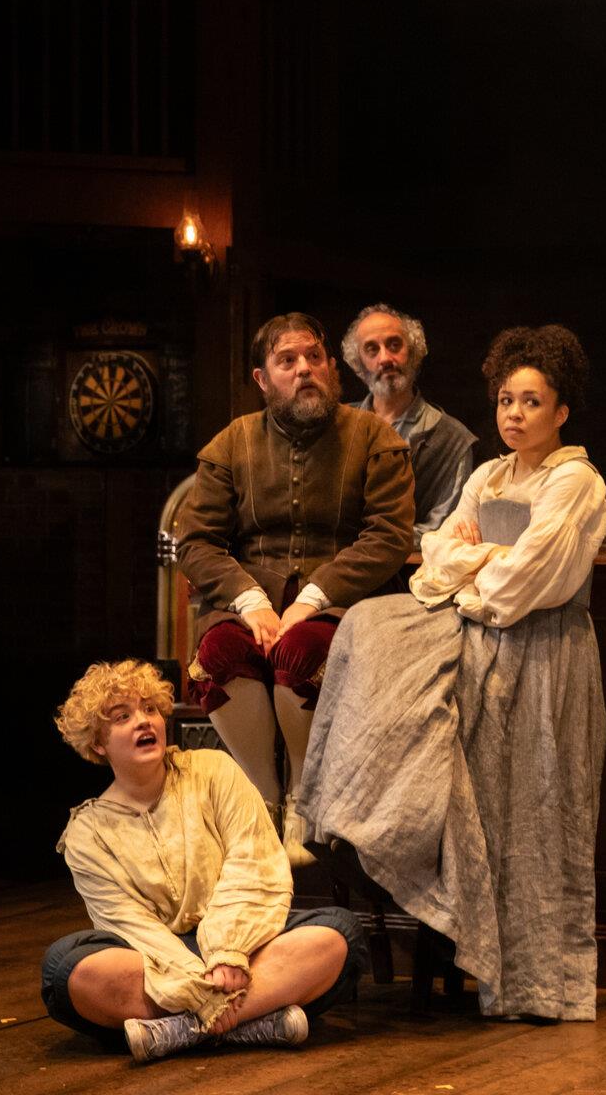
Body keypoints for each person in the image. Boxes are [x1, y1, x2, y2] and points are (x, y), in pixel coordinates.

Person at [301, 324, 606, 1021]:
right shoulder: (488, 475)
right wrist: (477, 562)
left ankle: (540, 985)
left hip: (543, 655)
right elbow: (433, 560)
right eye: (505, 400)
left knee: (535, 809)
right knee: (370, 632)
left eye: (532, 402)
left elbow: (526, 581)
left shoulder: (575, 482)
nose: (514, 414)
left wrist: (474, 566)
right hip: (482, 638)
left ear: (561, 411)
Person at [175, 313, 415, 866]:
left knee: (300, 652)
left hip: (342, 602)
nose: (304, 368)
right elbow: (197, 541)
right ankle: (265, 799)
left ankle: (305, 797)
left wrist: (313, 598)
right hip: (249, 602)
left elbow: (388, 535)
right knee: (220, 652)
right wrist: (249, 601)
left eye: (313, 357)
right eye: (288, 361)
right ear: (263, 379)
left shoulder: (374, 439)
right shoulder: (231, 444)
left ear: (331, 366)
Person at [41, 660, 367, 1062]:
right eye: (123, 717)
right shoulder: (87, 832)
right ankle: (255, 1020)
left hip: (242, 944)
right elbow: (129, 922)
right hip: (155, 960)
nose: (144, 722)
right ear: (98, 744)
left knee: (339, 933)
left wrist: (227, 952)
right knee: (64, 969)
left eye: (149, 709)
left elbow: (253, 862)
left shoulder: (214, 771)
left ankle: (178, 1031)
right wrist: (191, 985)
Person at [340, 303, 478, 541]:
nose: (385, 358)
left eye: (394, 345)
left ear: (413, 352)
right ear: (358, 362)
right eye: (372, 349)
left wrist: (373, 545)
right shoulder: (338, 425)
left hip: (410, 564)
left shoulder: (453, 440)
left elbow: (442, 529)